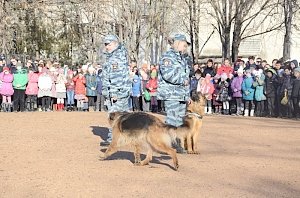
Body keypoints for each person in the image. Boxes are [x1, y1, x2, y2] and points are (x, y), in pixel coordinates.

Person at [157, 34, 190, 153]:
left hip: (181, 94)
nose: (185, 46)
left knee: (180, 121)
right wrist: (182, 80)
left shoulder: (182, 58)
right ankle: (169, 143)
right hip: (171, 94)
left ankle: (177, 142)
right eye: (183, 43)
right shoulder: (168, 57)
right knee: (172, 120)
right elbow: (168, 74)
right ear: (176, 43)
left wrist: (187, 95)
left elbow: (186, 78)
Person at [101, 34, 131, 146]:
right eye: (105, 45)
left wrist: (114, 93)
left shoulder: (115, 59)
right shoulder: (116, 56)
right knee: (123, 115)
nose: (107, 47)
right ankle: (126, 136)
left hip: (117, 92)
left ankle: (113, 138)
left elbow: (116, 77)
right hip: (121, 92)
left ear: (115, 44)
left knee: (114, 115)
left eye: (108, 44)